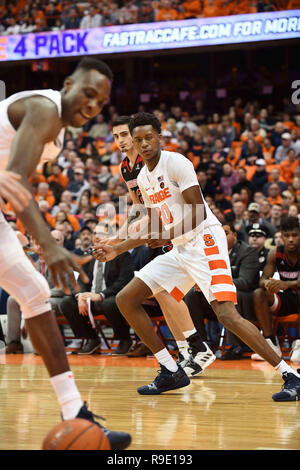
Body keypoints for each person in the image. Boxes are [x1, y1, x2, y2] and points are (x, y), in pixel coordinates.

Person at [94, 112, 300, 401]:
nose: (143, 144)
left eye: (148, 137)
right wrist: (117, 247)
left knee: (227, 315)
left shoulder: (176, 163)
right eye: (138, 139)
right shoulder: (142, 177)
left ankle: (290, 373)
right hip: (180, 246)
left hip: (205, 241)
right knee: (126, 299)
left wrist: (166, 235)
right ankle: (170, 370)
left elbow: (198, 211)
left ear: (159, 137)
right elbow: (153, 224)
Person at [0, 57, 130, 449]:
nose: (92, 107)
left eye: (100, 103)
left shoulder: (57, 133)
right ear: (69, 84)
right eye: (88, 94)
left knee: (36, 293)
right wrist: (49, 242)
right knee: (35, 291)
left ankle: (74, 411)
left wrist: (39, 237)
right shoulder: (45, 109)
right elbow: (16, 179)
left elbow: (10, 180)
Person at [110, 115, 216, 374]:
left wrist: (124, 239)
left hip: (186, 232)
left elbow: (190, 206)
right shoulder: (127, 168)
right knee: (161, 291)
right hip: (162, 230)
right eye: (116, 137)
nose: (121, 141)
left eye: (124, 135)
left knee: (170, 292)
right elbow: (140, 208)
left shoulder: (164, 162)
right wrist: (117, 238)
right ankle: (187, 352)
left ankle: (196, 347)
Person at [60, 223, 134, 355]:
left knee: (109, 303)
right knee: (66, 303)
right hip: (91, 300)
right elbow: (81, 280)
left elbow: (123, 282)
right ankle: (92, 338)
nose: (96, 236)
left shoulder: (122, 255)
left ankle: (125, 340)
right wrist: (80, 296)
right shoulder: (90, 255)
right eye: (95, 233)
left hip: (109, 298)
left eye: (101, 233)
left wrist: (101, 295)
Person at [253, 217, 300, 364]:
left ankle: (299, 344)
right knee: (258, 293)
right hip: (286, 300)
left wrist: (287, 284)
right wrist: (268, 283)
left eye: (295, 235)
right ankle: (271, 343)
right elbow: (262, 280)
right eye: (287, 236)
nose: (290, 239)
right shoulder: (275, 253)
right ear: (282, 236)